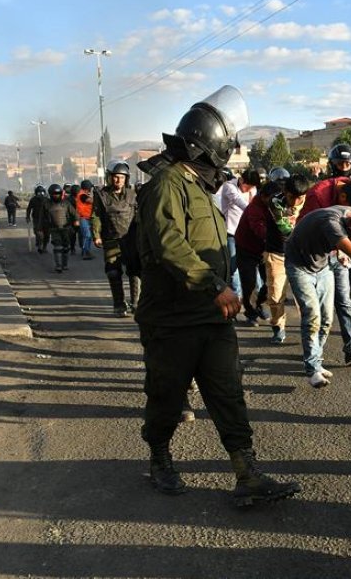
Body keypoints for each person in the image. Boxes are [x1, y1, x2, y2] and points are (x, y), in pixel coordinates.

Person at [134, 85, 300, 506]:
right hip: (172, 319)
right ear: (208, 144)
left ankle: (247, 473)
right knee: (167, 396)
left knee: (228, 393)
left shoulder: (198, 186)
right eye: (224, 145)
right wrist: (216, 286)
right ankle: (158, 457)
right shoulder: (168, 182)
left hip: (210, 317)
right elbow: (170, 243)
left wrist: (221, 292)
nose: (227, 153)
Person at [284, 205, 351, 388]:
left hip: (323, 265)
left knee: (327, 319)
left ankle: (316, 360)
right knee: (312, 315)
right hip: (298, 265)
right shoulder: (332, 224)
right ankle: (312, 369)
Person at [299, 146, 351, 367]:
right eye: (339, 164)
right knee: (318, 309)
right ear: (342, 196)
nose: (343, 168)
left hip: (340, 250)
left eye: (347, 164)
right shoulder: (317, 194)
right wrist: (340, 249)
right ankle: (313, 351)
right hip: (314, 253)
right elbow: (309, 229)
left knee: (344, 299)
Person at [263, 172, 312, 344]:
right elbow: (284, 229)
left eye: (300, 198)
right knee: (276, 294)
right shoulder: (275, 201)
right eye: (292, 197)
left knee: (305, 295)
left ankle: (310, 332)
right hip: (277, 252)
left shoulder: (311, 200)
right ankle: (278, 326)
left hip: (301, 254)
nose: (295, 202)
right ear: (285, 191)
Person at [93, 161, 141, 317]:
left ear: (126, 179)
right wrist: (97, 235)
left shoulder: (134, 194)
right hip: (111, 239)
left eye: (121, 177)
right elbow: (97, 216)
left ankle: (135, 303)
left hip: (131, 240)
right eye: (115, 177)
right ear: (109, 177)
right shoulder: (102, 195)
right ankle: (119, 305)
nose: (118, 180)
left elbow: (140, 216)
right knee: (113, 273)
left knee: (135, 271)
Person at [235, 174, 281, 326]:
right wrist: (277, 237)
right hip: (246, 249)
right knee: (249, 284)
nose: (274, 201)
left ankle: (258, 304)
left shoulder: (277, 205)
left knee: (270, 283)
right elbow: (259, 229)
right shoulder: (254, 208)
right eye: (271, 198)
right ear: (263, 196)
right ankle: (250, 313)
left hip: (267, 249)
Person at [220, 168, 263, 307]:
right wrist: (256, 210)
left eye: (252, 187)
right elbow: (240, 202)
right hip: (231, 233)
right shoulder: (229, 187)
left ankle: (256, 301)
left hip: (247, 235)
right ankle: (236, 299)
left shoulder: (253, 190)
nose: (248, 189)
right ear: (242, 180)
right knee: (234, 268)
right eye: (247, 186)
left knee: (254, 268)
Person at [41, 184, 80, 274]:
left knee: (66, 247)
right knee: (57, 247)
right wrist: (41, 228)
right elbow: (42, 217)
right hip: (54, 229)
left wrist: (76, 221)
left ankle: (64, 264)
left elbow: (74, 214)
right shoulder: (46, 204)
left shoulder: (66, 203)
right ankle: (58, 266)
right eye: (54, 194)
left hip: (66, 228)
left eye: (58, 193)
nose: (56, 195)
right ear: (50, 194)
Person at [26, 185, 49, 253]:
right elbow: (29, 209)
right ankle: (39, 245)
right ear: (36, 193)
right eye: (39, 192)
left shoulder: (47, 200)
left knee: (47, 235)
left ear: (44, 192)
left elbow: (51, 209)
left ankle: (44, 247)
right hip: (36, 219)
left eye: (42, 192)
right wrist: (27, 217)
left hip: (46, 219)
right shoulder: (33, 200)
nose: (41, 194)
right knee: (39, 233)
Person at [76, 180, 95, 260]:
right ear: (87, 187)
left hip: (88, 218)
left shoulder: (84, 194)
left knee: (89, 236)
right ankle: (85, 252)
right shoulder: (82, 195)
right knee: (87, 235)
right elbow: (91, 201)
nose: (91, 188)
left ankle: (87, 251)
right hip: (83, 218)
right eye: (90, 187)